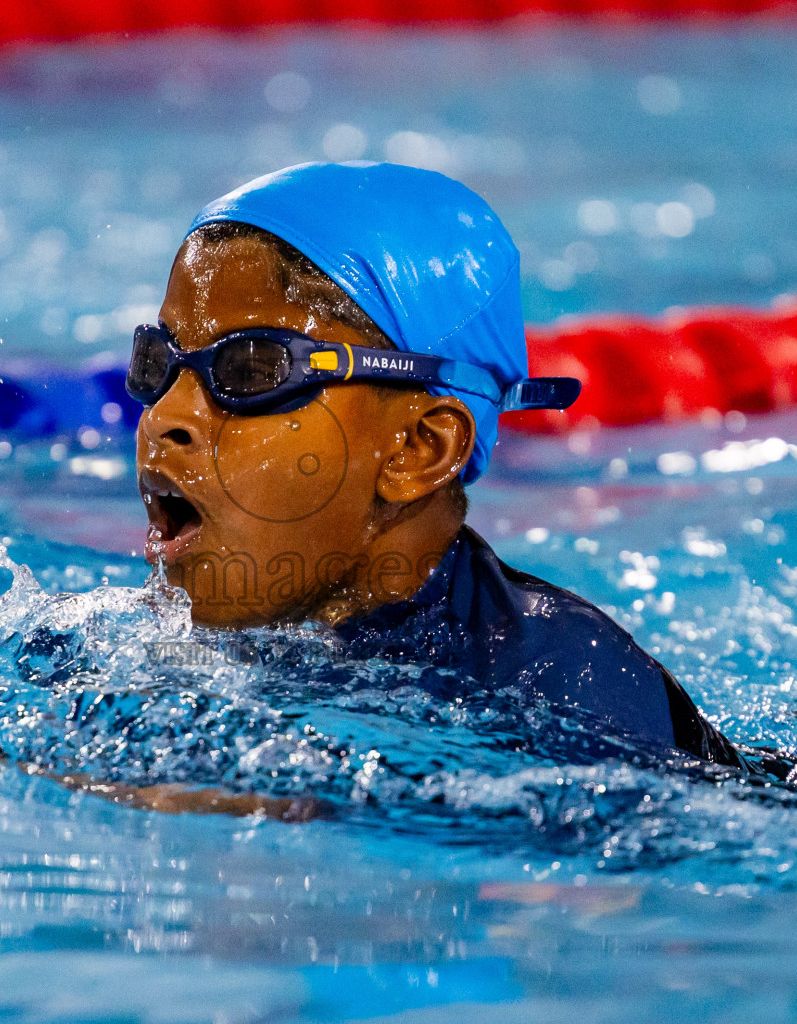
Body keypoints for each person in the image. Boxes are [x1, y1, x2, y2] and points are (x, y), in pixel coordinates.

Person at [126, 161, 742, 774]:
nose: (161, 417)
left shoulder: (563, 685)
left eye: (253, 370)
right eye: (158, 364)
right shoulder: (116, 643)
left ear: (419, 449)